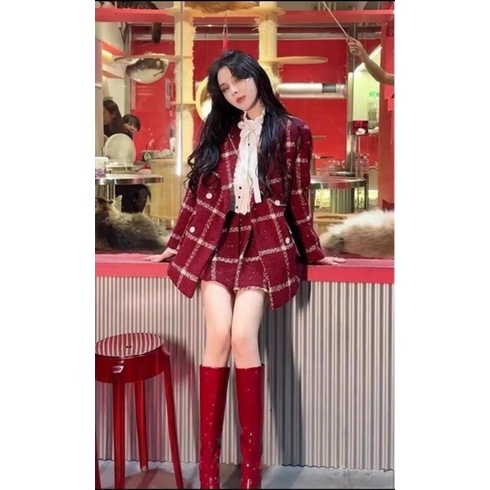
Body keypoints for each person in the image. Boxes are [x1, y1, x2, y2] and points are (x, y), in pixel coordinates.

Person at [145, 49, 345, 489]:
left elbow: (298, 198)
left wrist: (313, 252)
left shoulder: (292, 131)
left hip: (263, 241)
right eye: (224, 87)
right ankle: (209, 473)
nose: (233, 91)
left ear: (256, 76)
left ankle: (251, 473)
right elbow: (195, 195)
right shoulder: (218, 129)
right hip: (216, 241)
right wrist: (174, 244)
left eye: (238, 81)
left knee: (241, 337)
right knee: (217, 337)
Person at [103, 101, 149, 213]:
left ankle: (130, 219)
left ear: (113, 114)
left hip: (120, 175)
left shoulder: (124, 134)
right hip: (105, 175)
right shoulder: (99, 131)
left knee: (140, 190)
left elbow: (127, 157)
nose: (101, 116)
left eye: (104, 113)